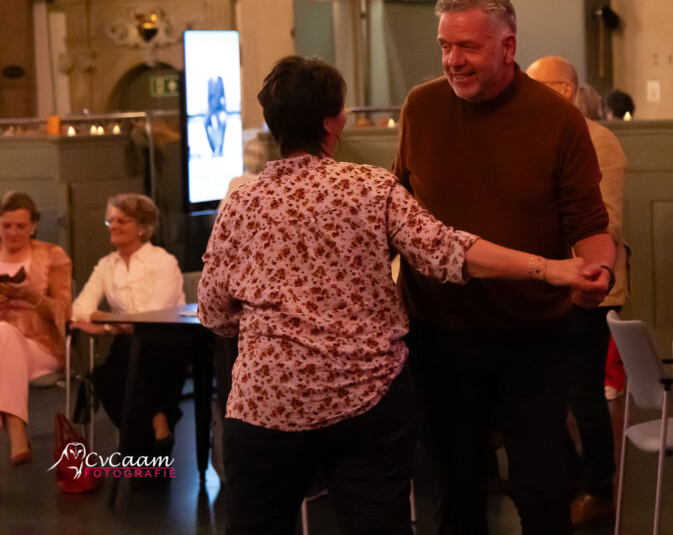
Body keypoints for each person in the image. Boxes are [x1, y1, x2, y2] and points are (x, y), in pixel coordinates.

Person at [198, 55, 605, 535]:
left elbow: (213, 311)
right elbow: (450, 252)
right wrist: (548, 268)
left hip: (268, 406)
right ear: (333, 122)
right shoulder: (370, 188)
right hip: (365, 402)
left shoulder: (241, 202)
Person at [394, 0, 615, 534]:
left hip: (531, 337)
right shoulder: (421, 107)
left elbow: (589, 225)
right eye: (445, 46)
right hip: (438, 335)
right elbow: (399, 210)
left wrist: (599, 272)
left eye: (467, 47)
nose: (452, 60)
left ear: (508, 46)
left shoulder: (557, 119)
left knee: (541, 493)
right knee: (457, 496)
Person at [526, 55, 628, 525]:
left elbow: (606, 221)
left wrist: (578, 269)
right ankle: (568, 476)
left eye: (534, 84)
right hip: (546, 281)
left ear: (563, 90)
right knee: (543, 387)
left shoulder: (598, 139)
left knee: (583, 392)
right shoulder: (538, 135)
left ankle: (598, 488)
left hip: (588, 283)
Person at [70, 193, 186, 456]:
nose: (114, 226)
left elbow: (151, 316)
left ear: (142, 227)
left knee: (121, 363)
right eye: (110, 221)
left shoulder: (163, 261)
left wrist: (106, 323)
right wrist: (114, 325)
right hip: (129, 345)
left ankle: (136, 451)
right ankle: (158, 419)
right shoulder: (107, 265)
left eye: (122, 221)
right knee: (106, 376)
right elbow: (80, 308)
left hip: (165, 343)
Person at [0, 192, 72, 465]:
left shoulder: (52, 255)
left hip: (41, 344)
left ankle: (17, 431)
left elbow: (64, 312)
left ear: (33, 226)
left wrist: (32, 296)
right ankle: (17, 432)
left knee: (5, 333)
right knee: (4, 334)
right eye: (6, 226)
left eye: (20, 226)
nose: (12, 232)